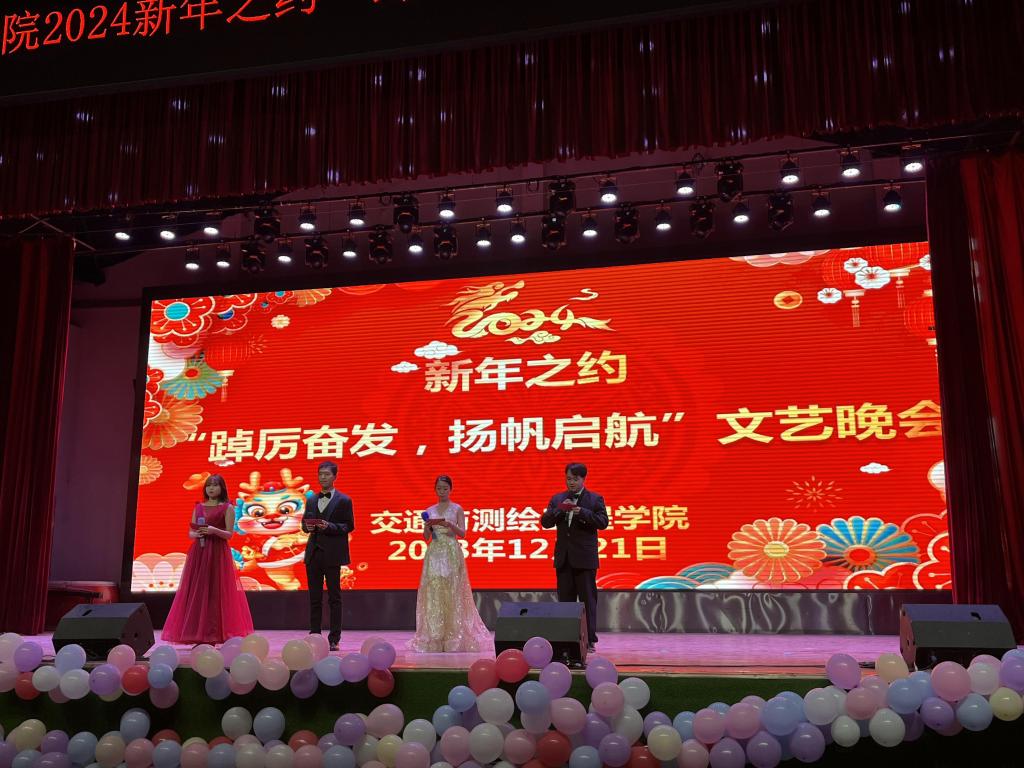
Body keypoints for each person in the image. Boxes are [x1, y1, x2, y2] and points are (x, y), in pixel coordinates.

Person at [162, 474, 254, 645]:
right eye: (208, 485)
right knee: (198, 591)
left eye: (215, 485)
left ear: (222, 488)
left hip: (218, 553)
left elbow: (229, 534)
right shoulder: (198, 507)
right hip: (199, 552)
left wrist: (213, 530)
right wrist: (196, 534)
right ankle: (197, 633)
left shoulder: (227, 507)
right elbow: (190, 533)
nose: (211, 488)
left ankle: (214, 634)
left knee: (215, 591)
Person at [409, 475, 492, 653]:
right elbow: (425, 538)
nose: (442, 492)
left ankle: (454, 637)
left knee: (453, 590)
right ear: (435, 489)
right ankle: (436, 636)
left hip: (451, 551)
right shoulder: (430, 510)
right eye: (439, 488)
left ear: (450, 489)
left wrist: (449, 524)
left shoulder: (457, 509)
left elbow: (463, 533)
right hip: (434, 553)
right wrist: (428, 527)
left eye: (445, 488)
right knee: (435, 591)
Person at [541, 462, 608, 652]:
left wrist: (582, 512)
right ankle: (567, 639)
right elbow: (545, 522)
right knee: (566, 602)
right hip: (564, 559)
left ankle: (590, 640)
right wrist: (560, 510)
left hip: (585, 559)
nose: (571, 482)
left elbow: (603, 522)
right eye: (568, 479)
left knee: (588, 601)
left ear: (583, 479)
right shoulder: (558, 499)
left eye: (575, 479)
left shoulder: (594, 499)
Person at [302, 460, 354, 651]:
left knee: (334, 597)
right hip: (313, 553)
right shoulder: (312, 499)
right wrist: (307, 527)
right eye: (320, 474)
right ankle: (315, 635)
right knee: (314, 598)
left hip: (333, 554)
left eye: (326, 474)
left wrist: (329, 526)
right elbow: (304, 523)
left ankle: (334, 638)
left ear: (334, 476)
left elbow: (349, 526)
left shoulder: (344, 500)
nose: (323, 477)